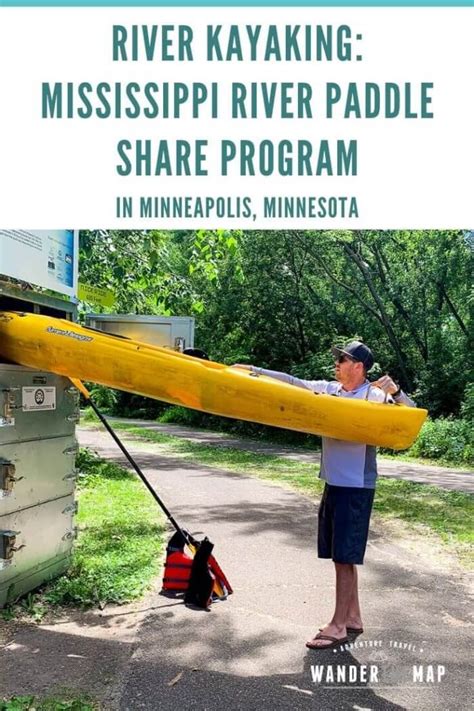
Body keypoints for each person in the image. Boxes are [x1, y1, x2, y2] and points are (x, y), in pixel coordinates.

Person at [233, 341, 415, 651]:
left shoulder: (374, 395)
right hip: (334, 484)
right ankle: (353, 617)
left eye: (342, 360)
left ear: (358, 366)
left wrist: (396, 393)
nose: (337, 364)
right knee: (340, 555)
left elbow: (410, 418)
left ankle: (338, 625)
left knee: (344, 558)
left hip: (356, 487)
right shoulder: (330, 389)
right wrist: (254, 371)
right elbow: (293, 381)